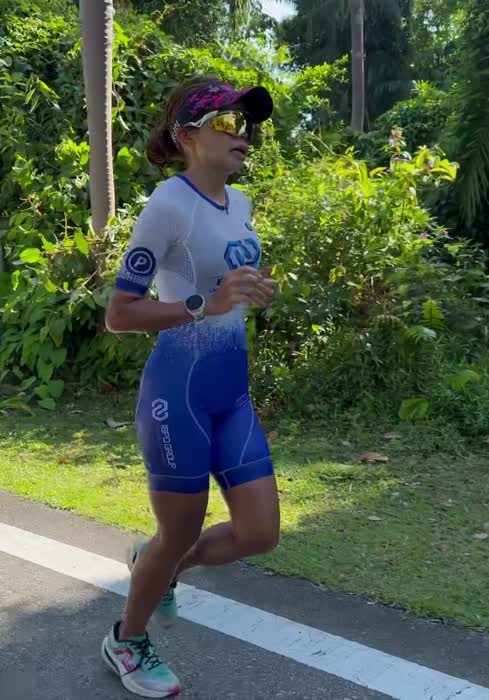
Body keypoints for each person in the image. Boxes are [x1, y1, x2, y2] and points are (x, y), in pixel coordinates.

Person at [102, 76, 280, 698]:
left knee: (260, 533)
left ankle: (162, 565)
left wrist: (253, 287)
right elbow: (120, 313)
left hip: (232, 392)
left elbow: (228, 279)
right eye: (228, 123)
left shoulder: (242, 203)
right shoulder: (168, 205)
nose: (243, 135)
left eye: (247, 125)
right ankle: (126, 639)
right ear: (187, 136)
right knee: (178, 527)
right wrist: (208, 302)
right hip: (178, 392)